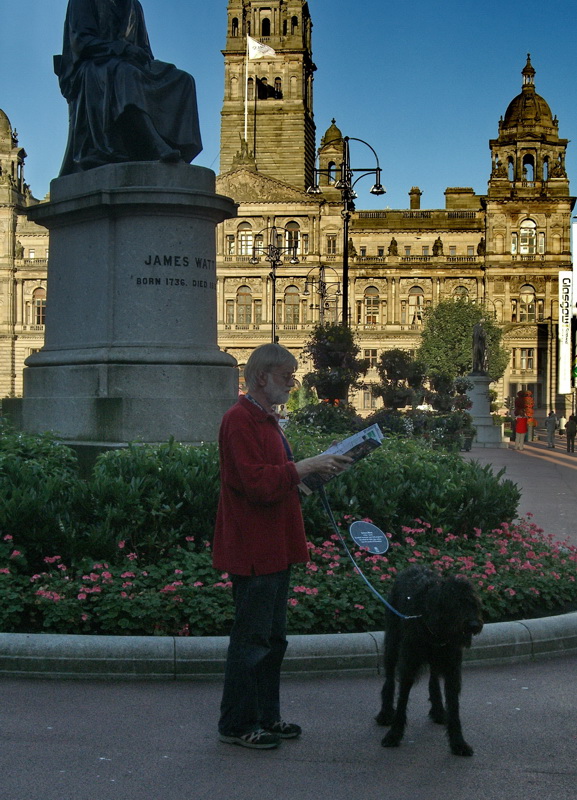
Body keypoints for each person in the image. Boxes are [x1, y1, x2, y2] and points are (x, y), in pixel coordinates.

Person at [212, 343, 352, 750]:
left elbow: (278, 477)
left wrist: (317, 471)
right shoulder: (239, 421)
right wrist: (304, 466)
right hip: (254, 548)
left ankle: (266, 717)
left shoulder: (264, 419)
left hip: (274, 544)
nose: (293, 383)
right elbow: (255, 483)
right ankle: (236, 723)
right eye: (286, 377)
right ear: (262, 378)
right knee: (252, 641)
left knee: (272, 641)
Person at [55, 0, 202, 175]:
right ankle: (156, 145)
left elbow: (145, 49)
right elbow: (81, 42)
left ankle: (181, 151)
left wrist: (141, 57)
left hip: (128, 62)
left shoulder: (134, 5)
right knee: (127, 75)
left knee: (183, 80)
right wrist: (121, 48)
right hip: (93, 64)